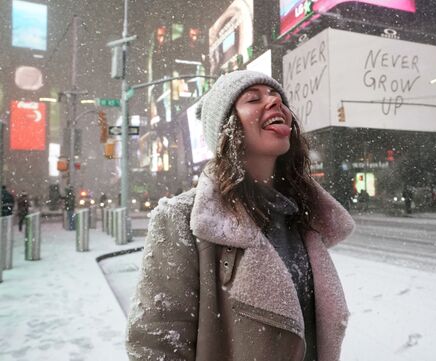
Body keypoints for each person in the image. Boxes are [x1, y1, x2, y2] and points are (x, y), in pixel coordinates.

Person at [126, 70, 355, 361]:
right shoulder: (182, 219)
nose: (275, 102)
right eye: (253, 98)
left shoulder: (299, 216)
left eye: (277, 97)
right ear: (227, 128)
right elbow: (155, 345)